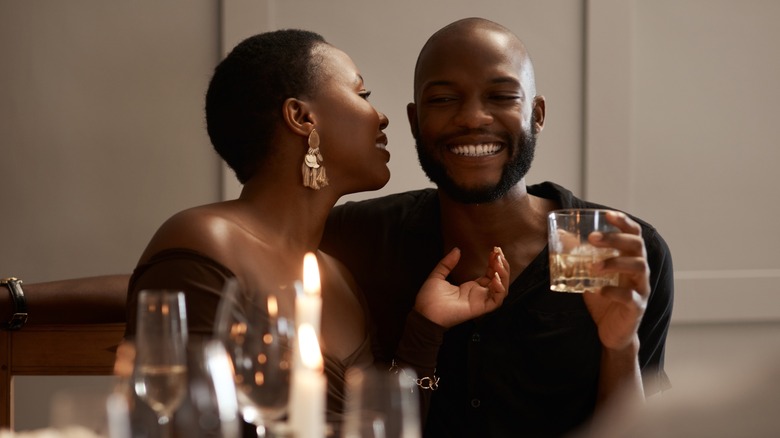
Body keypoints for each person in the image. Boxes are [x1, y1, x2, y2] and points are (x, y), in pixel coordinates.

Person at [122, 28, 509, 434]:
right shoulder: (203, 239)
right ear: (302, 117)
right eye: (362, 94)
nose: (381, 115)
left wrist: (427, 325)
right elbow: (188, 422)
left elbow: (389, 426)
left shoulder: (338, 276)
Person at [320, 17, 674, 437]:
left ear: (536, 114)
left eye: (502, 95)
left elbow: (635, 430)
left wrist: (620, 347)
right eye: (445, 99)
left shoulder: (602, 244)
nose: (472, 117)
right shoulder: (361, 237)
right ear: (415, 122)